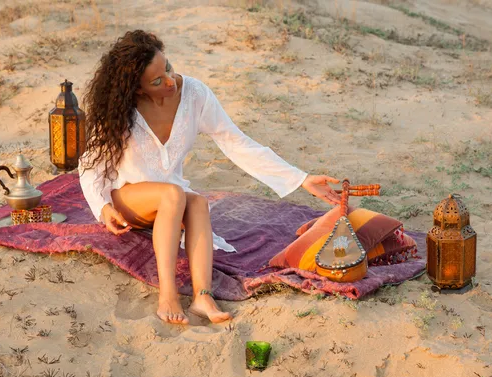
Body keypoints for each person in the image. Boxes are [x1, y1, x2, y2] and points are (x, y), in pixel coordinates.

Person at [79, 30, 341, 325]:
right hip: (128, 199)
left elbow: (236, 143)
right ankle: (168, 295)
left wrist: (301, 178)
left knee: (198, 203)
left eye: (168, 67)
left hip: (171, 202)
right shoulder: (119, 111)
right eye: (156, 81)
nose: (170, 80)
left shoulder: (194, 95)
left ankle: (203, 297)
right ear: (137, 90)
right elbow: (91, 165)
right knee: (173, 194)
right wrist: (102, 207)